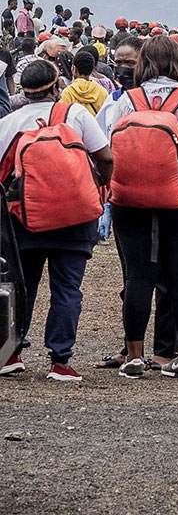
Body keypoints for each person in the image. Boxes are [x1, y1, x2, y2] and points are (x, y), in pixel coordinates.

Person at [95, 35, 178, 379]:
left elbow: (107, 144)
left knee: (138, 276)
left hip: (131, 198)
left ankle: (134, 355)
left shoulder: (127, 100)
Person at [0, 60, 112, 381]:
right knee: (67, 288)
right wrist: (100, 191)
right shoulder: (75, 114)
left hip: (24, 218)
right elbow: (105, 156)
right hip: (76, 215)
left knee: (23, 286)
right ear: (56, 85)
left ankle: (11, 354)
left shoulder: (8, 122)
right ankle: (60, 361)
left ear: (22, 90)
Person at [57, 48, 110, 114]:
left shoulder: (68, 92)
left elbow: (62, 115)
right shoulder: (102, 92)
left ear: (74, 69)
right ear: (91, 70)